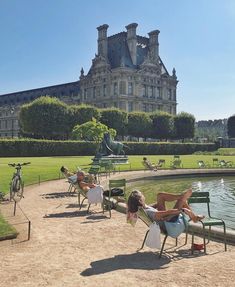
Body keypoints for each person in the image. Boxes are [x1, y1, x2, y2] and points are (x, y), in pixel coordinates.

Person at [127, 189, 204, 230]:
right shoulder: (148, 211)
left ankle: (181, 197)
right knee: (182, 200)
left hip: (163, 220)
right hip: (167, 223)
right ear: (140, 200)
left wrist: (160, 202)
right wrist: (182, 210)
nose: (143, 195)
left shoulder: (142, 209)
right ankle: (193, 217)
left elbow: (155, 210)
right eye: (142, 195)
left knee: (160, 196)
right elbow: (164, 214)